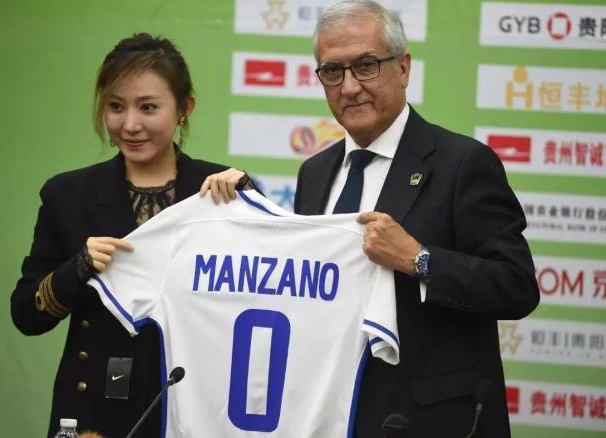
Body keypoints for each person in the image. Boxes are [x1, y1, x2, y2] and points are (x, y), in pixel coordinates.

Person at [208, 1, 540, 436]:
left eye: (366, 65)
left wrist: (419, 259)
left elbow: (517, 286)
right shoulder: (315, 172)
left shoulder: (463, 163)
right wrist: (246, 211)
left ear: (403, 68)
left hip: (430, 420)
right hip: (332, 413)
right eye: (332, 71)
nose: (349, 87)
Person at [10, 33, 248, 438]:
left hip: (191, 411)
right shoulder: (67, 194)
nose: (130, 125)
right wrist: (77, 269)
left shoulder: (221, 191)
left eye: (148, 107)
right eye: (116, 107)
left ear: (184, 109)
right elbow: (25, 316)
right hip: (92, 414)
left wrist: (248, 201)